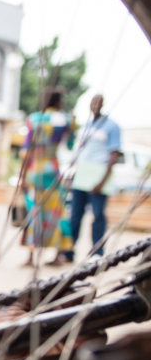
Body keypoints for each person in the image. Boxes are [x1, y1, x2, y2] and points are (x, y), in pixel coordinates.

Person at [20, 87, 76, 267]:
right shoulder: (65, 119)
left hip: (34, 170)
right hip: (52, 169)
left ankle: (31, 256)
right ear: (59, 102)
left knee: (34, 211)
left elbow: (24, 150)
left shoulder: (33, 119)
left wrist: (22, 177)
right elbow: (69, 144)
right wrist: (72, 126)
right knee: (56, 212)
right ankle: (58, 254)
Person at [67, 94, 121, 260]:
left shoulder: (112, 126)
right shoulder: (86, 126)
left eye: (98, 102)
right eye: (93, 102)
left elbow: (113, 155)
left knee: (97, 215)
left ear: (103, 104)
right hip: (81, 175)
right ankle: (68, 250)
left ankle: (97, 252)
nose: (95, 105)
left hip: (98, 177)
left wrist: (102, 181)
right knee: (75, 214)